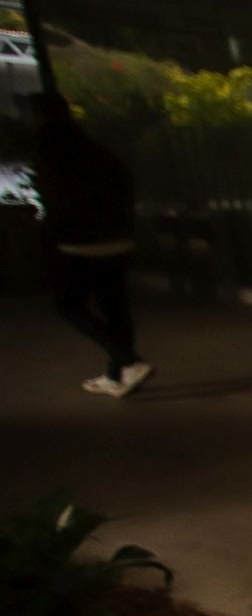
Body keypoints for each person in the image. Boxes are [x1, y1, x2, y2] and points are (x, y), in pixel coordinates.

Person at [30, 92, 151, 397]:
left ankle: (127, 361)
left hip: (76, 243)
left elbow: (55, 201)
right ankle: (117, 374)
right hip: (116, 240)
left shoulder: (51, 154)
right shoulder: (99, 152)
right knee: (115, 307)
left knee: (69, 305)